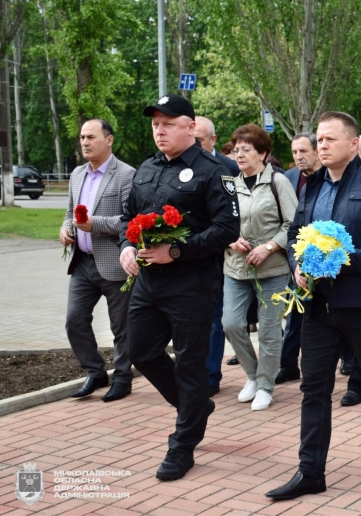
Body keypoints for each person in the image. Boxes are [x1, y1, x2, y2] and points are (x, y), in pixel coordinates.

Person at [265, 111, 361, 501]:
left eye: (330, 139)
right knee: (313, 388)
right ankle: (310, 470)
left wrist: (345, 259)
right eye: (319, 140)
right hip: (318, 307)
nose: (322, 146)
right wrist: (298, 266)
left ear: (352, 143)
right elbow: (296, 233)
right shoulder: (309, 186)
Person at [119, 95, 240, 481]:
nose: (159, 129)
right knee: (141, 351)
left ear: (191, 127)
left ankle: (182, 445)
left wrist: (177, 250)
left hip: (192, 284)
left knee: (190, 366)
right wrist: (126, 246)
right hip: (149, 282)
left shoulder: (213, 171)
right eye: (156, 123)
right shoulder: (146, 168)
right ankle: (196, 407)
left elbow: (227, 229)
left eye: (168, 123)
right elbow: (129, 217)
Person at [222, 124, 298, 411]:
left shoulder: (278, 183)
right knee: (230, 324)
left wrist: (268, 246)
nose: (239, 155)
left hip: (273, 269)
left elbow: (293, 224)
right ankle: (253, 375)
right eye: (236, 149)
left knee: (268, 330)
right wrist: (232, 239)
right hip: (236, 268)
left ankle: (266, 385)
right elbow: (222, 223)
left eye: (246, 150)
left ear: (263, 153)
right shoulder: (229, 184)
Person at [60, 119, 136, 401]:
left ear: (109, 140)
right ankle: (94, 372)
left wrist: (96, 224)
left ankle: (123, 377)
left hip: (115, 262)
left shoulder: (127, 175)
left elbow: (130, 221)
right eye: (82, 137)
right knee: (74, 320)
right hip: (82, 263)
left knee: (121, 327)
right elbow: (70, 213)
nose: (84, 142)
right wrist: (66, 229)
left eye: (91, 137)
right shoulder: (78, 174)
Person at [194, 116, 237, 396]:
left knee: (215, 318)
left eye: (199, 138)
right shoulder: (180, 165)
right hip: (188, 254)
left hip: (222, 254)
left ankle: (210, 375)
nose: (195, 143)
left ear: (212, 139)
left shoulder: (229, 167)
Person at [275, 132, 323, 385]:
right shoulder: (289, 178)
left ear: (316, 151)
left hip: (327, 253)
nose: (299, 157)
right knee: (294, 312)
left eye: (304, 151)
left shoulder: (329, 176)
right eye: (295, 152)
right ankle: (288, 364)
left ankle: (348, 358)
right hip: (297, 256)